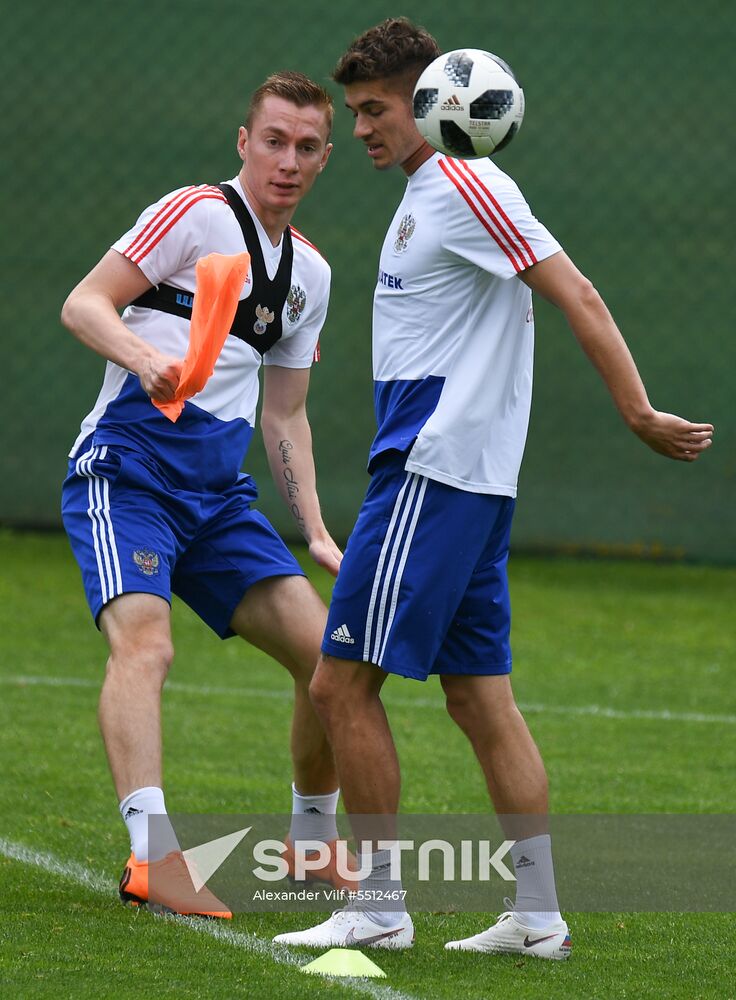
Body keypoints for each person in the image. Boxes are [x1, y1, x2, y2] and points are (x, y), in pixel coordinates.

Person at [273, 20, 714, 955]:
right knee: (479, 700)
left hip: (432, 475)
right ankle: (538, 916)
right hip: (462, 481)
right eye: (354, 113)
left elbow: (577, 292)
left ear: (432, 102)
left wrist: (636, 411)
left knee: (340, 686)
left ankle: (381, 907)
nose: (359, 130)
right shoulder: (429, 194)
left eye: (373, 110)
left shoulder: (467, 183)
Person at [61, 71, 353, 918]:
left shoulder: (312, 276)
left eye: (305, 148)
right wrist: (144, 356)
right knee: (146, 647)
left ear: (324, 158)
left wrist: (317, 531)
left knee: (328, 661)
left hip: (220, 495)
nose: (286, 162)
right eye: (273, 142)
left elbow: (286, 414)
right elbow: (84, 304)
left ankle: (309, 844)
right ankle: (153, 857)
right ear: (244, 142)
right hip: (129, 470)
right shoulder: (195, 214)